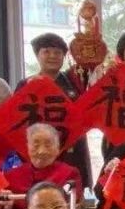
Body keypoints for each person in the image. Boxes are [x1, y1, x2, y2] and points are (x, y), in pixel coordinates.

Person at [18, 32, 92, 188]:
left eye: (58, 53)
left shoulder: (74, 80)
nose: (52, 56)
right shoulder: (26, 84)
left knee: (73, 193)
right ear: (37, 55)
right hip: (40, 151)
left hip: (72, 151)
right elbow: (15, 120)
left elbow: (91, 63)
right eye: (46, 52)